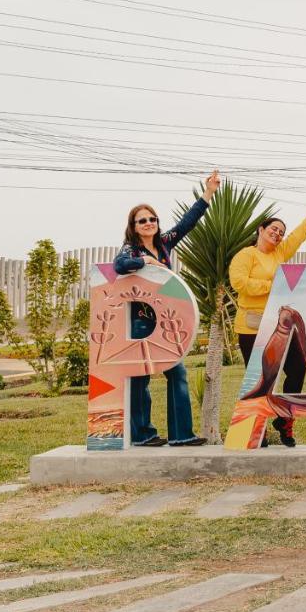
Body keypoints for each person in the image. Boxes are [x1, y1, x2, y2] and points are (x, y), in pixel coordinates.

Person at [114, 171, 220, 447]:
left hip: (165, 322)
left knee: (178, 373)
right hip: (140, 322)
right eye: (142, 220)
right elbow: (119, 266)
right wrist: (146, 264)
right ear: (134, 226)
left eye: (152, 219)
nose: (149, 223)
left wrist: (208, 192)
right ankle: (142, 434)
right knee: (140, 378)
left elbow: (187, 223)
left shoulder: (164, 243)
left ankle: (181, 434)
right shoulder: (131, 250)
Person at [228, 196, 306, 447]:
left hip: (281, 324)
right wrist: (273, 286)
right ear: (261, 230)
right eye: (273, 230)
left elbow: (298, 237)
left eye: (281, 232)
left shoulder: (281, 252)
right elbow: (240, 283)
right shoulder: (246, 255)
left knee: (297, 369)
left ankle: (284, 420)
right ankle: (256, 431)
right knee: (260, 379)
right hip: (252, 326)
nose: (278, 235)